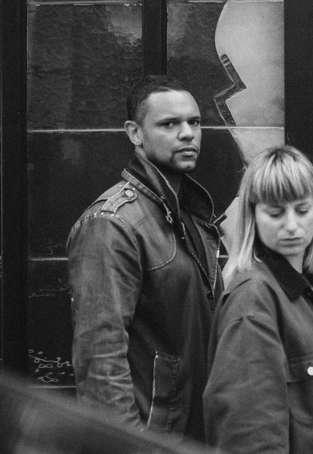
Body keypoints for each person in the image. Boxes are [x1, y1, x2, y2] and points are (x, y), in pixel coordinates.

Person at [67, 75, 223, 441]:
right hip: (153, 441)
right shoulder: (111, 224)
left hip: (197, 434)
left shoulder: (190, 216)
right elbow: (99, 362)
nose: (188, 134)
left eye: (195, 122)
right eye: (169, 124)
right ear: (135, 133)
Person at [203, 146, 313, 453]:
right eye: (276, 212)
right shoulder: (253, 302)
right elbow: (249, 439)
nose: (291, 225)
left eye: (302, 210)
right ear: (253, 216)